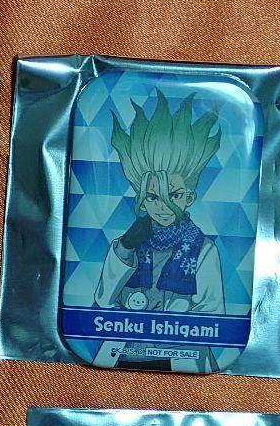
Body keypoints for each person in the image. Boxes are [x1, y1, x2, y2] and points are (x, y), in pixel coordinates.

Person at [93, 90, 224, 370]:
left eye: (173, 196)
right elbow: (103, 301)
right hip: (122, 355)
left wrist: (168, 328)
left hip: (181, 357)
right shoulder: (126, 245)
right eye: (152, 197)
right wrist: (126, 248)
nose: (163, 207)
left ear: (189, 198)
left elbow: (212, 316)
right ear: (142, 200)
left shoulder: (203, 250)